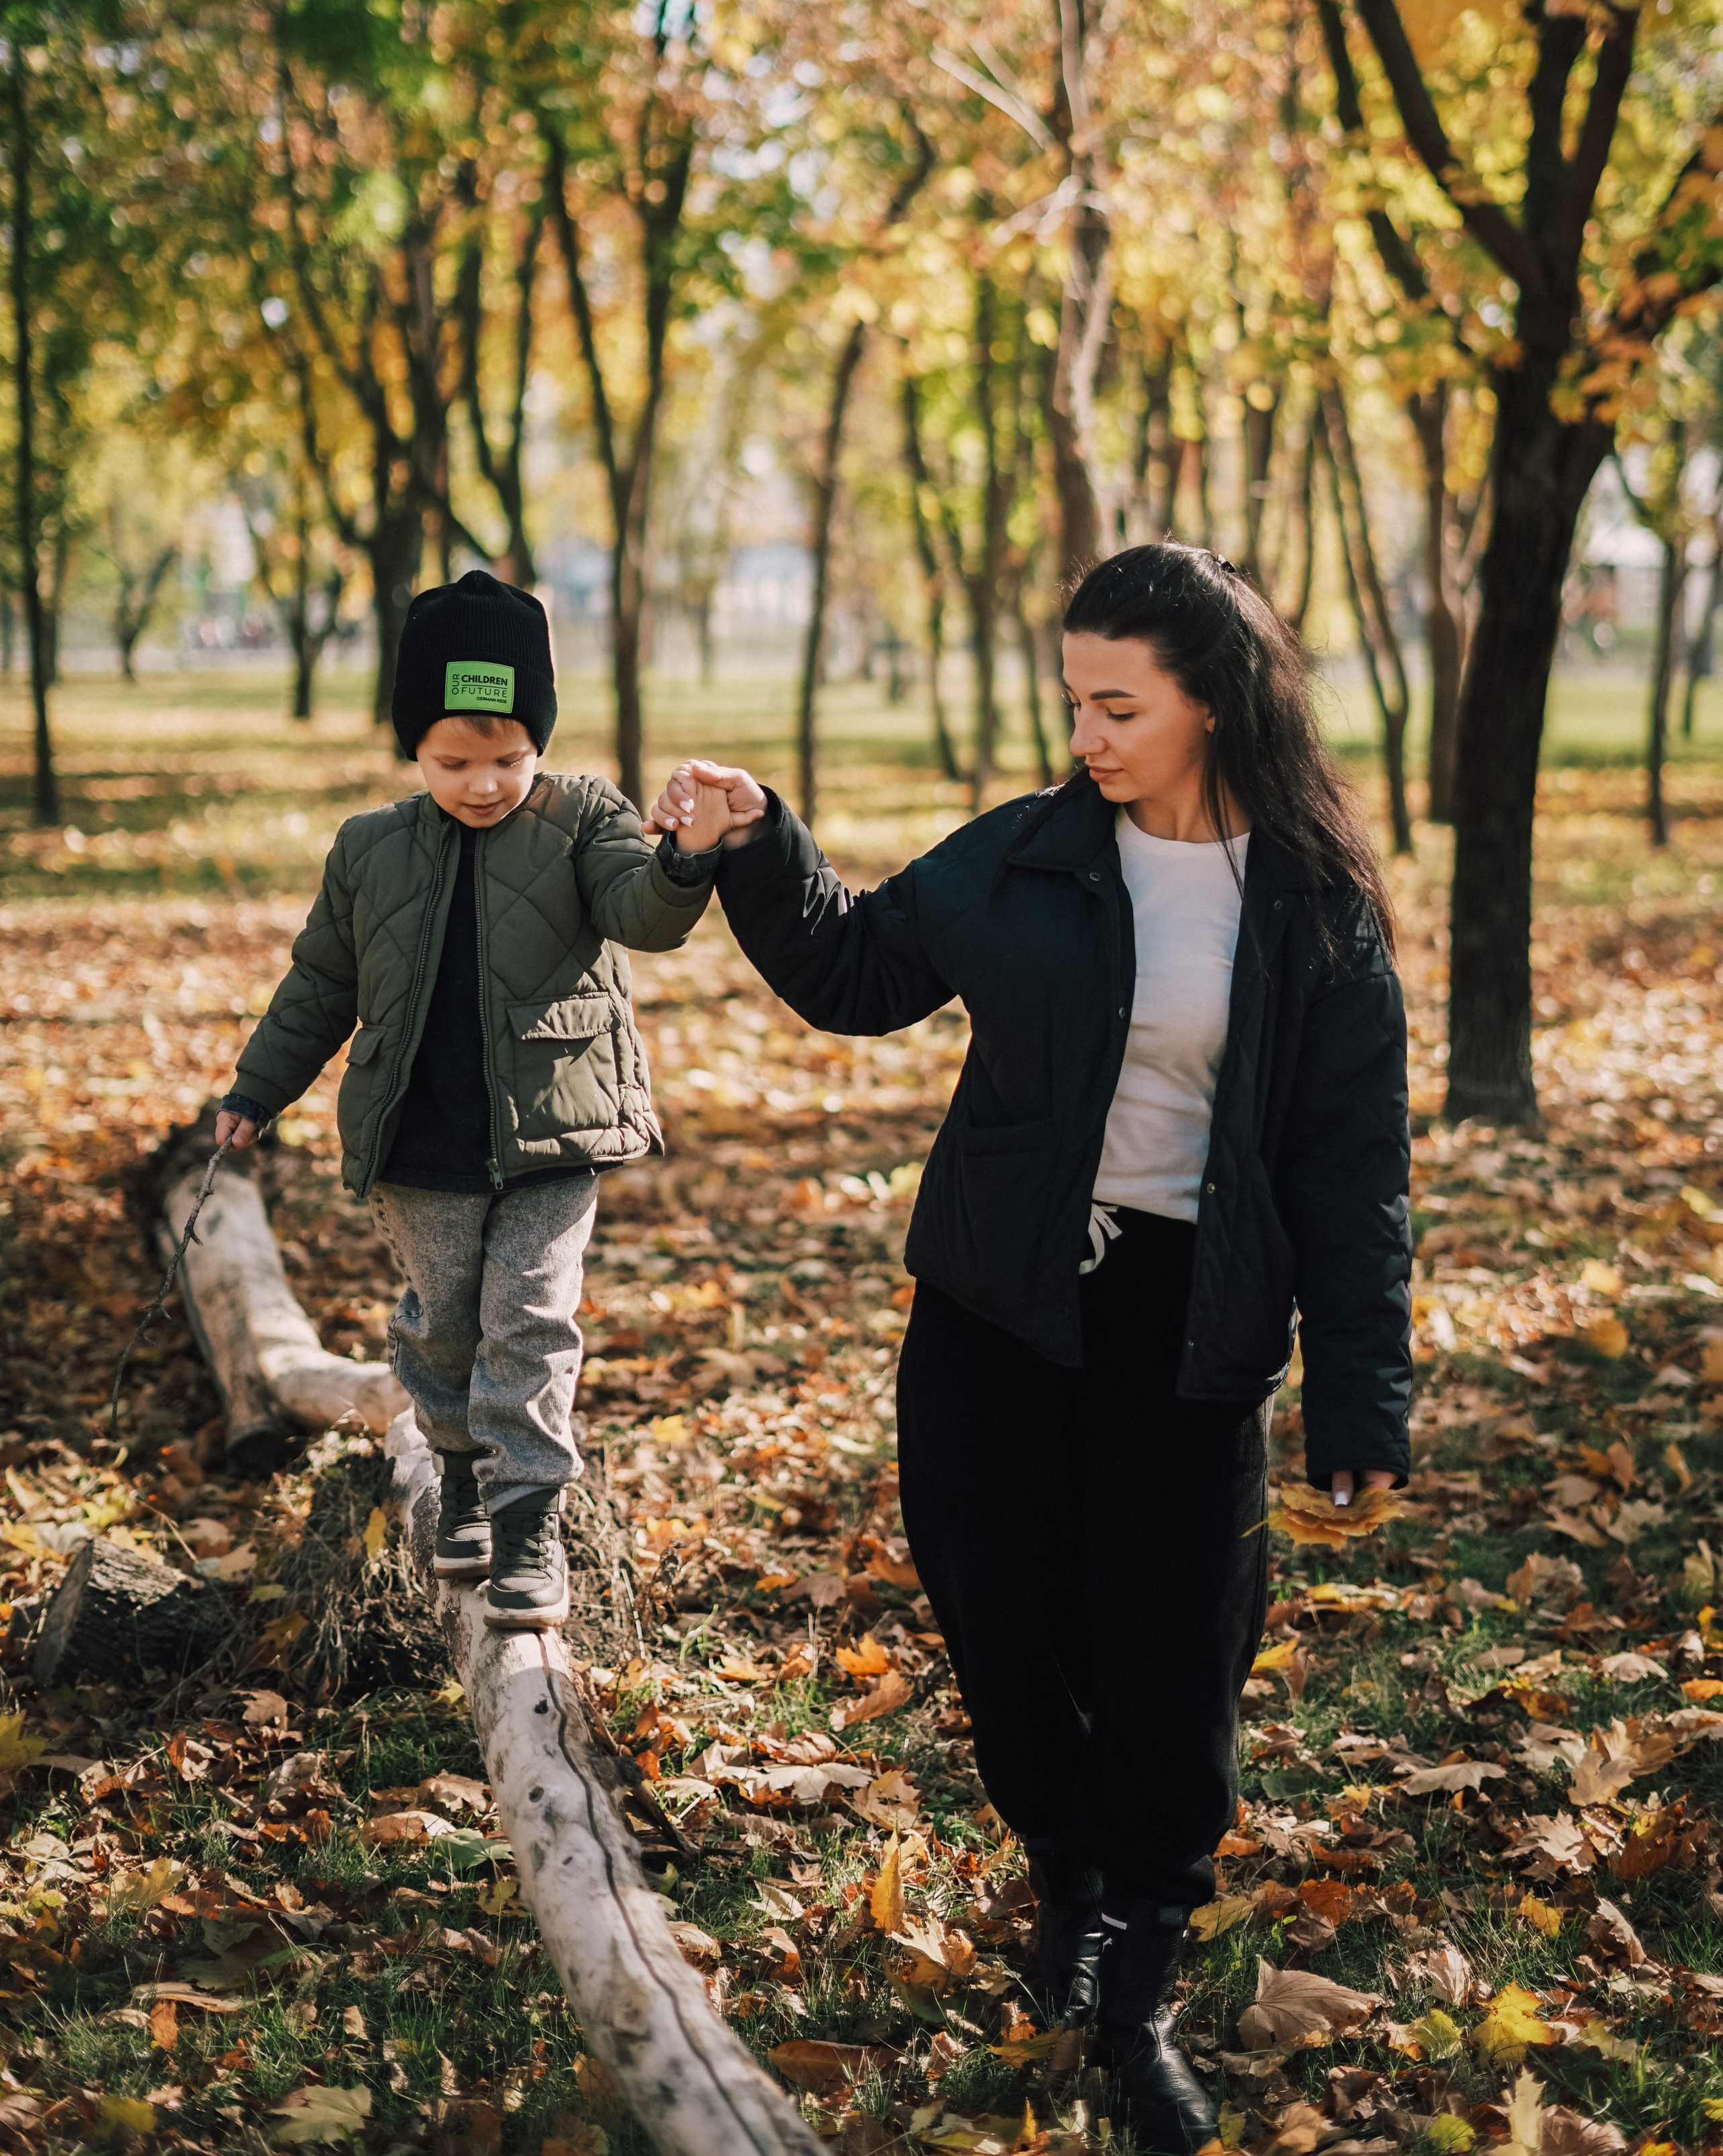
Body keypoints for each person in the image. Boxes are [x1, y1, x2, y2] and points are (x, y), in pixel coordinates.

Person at [649, 543, 1411, 2151]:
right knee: (1001, 1632)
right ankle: (1066, 1869)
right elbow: (859, 971)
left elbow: (1351, 1172)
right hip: (995, 1310)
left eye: (1118, 704)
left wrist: (1357, 1386)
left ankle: (1132, 1948)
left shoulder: (1310, 904)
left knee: (1165, 1647)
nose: (1087, 733)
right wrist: (753, 843)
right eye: (1073, 699)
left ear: (1215, 700)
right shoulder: (1029, 859)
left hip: (1187, 1326)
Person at [215, 570, 719, 1630]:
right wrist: (256, 1091)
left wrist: (684, 861)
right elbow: (320, 984)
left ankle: (529, 1519)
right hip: (422, 1142)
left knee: (531, 1318)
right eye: (455, 761)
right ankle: (457, 1481)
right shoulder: (370, 849)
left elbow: (645, 909)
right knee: (444, 1327)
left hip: (553, 1134)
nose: (484, 783)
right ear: (412, 746)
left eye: (507, 757)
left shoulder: (583, 818)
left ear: (540, 737)